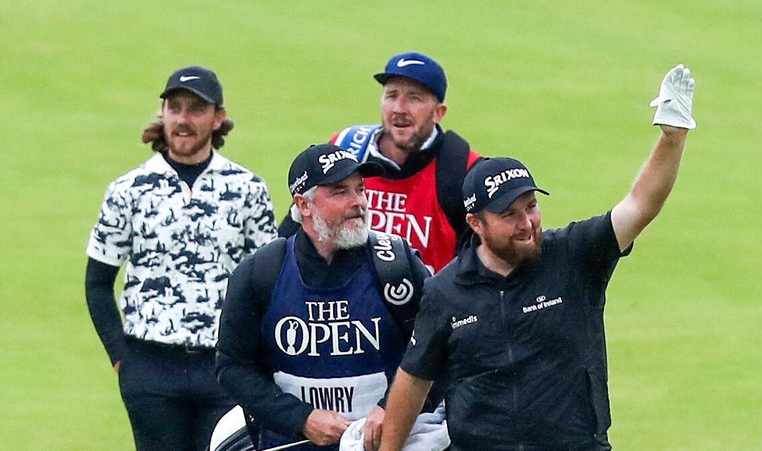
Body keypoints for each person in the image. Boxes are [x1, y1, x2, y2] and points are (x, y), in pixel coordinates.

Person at [379, 64, 698, 451]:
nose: (526, 223)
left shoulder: (574, 255)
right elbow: (414, 380)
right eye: (508, 214)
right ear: (475, 225)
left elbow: (640, 205)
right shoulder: (446, 291)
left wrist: (673, 137)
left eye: (530, 206)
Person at [84, 65, 278, 451]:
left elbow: (267, 283)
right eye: (175, 108)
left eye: (195, 109)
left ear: (218, 117)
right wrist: (122, 358)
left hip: (224, 369)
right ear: (164, 112)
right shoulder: (129, 190)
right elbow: (97, 281)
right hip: (151, 369)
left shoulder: (247, 189)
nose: (183, 119)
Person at [216, 143, 435, 451]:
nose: (358, 202)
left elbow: (439, 351)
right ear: (304, 205)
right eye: (340, 192)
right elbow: (232, 368)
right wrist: (301, 418)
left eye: (360, 189)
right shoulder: (261, 272)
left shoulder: (398, 266)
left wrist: (392, 409)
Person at [278, 52, 483, 274]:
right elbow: (292, 234)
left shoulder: (462, 169)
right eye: (392, 95)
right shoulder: (347, 148)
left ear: (438, 113)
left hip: (426, 305)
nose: (399, 109)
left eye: (414, 98)